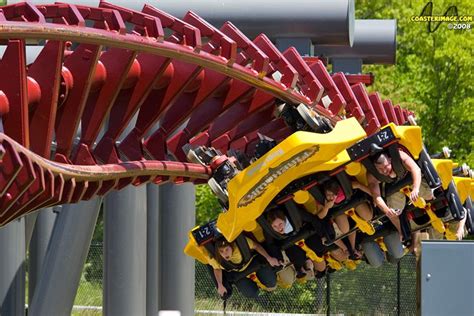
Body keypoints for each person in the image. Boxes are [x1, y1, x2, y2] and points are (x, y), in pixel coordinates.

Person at [367, 150, 433, 240]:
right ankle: (403, 233)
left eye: (386, 166)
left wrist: (416, 188)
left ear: (390, 160)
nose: (384, 170)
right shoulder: (372, 174)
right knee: (393, 212)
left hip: (410, 179)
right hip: (394, 188)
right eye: (380, 169)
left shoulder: (399, 155)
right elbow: (376, 196)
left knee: (429, 195)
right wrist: (387, 210)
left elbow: (415, 169)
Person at [211, 237, 281, 299]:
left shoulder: (239, 244)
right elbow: (217, 268)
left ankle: (266, 285)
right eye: (221, 251)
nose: (225, 253)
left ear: (231, 246)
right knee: (251, 293)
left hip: (252, 263)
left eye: (227, 249)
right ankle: (257, 288)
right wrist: (220, 285)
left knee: (271, 283)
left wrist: (269, 258)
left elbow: (256, 246)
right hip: (237, 273)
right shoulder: (217, 258)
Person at [320, 179, 373, 260]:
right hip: (338, 211)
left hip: (351, 203)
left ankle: (350, 249)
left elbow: (358, 185)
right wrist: (326, 207)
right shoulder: (325, 200)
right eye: (328, 194)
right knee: (345, 230)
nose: (331, 197)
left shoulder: (343, 188)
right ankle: (350, 248)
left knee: (368, 216)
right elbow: (320, 216)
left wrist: (374, 196)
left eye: (333, 194)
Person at [266, 208, 325, 278]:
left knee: (318, 247)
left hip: (305, 235)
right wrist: (279, 258)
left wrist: (322, 235)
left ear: (284, 218)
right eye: (274, 226)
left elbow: (313, 219)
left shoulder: (294, 215)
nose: (279, 228)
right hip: (290, 244)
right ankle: (303, 265)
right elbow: (270, 244)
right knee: (299, 260)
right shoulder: (270, 230)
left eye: (280, 224)